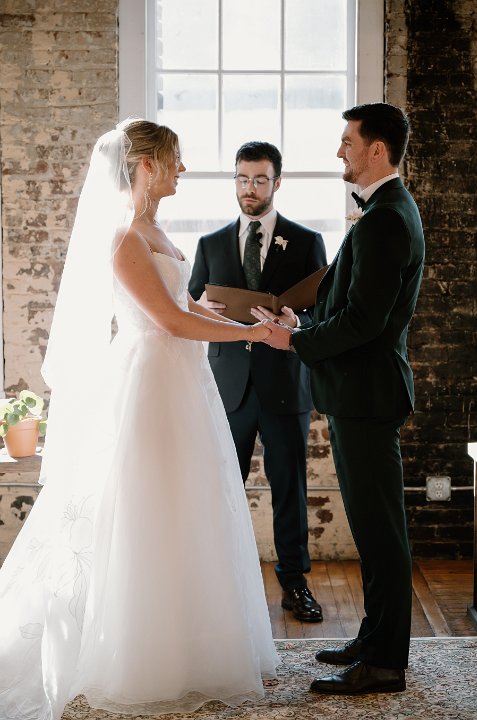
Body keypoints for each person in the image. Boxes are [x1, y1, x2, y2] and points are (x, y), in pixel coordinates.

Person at [0, 120, 280, 719]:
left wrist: (233, 321)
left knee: (188, 505)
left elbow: (184, 306)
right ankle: (142, 652)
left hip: (182, 379)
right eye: (175, 159)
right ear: (147, 165)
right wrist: (252, 334)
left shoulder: (155, 230)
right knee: (149, 506)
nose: (183, 169)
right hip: (150, 383)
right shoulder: (124, 236)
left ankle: (192, 644)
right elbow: (169, 322)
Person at [252, 102, 425, 695]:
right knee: (374, 529)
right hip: (361, 393)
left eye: (347, 141)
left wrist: (294, 340)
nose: (339, 150)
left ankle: (385, 663)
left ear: (377, 149)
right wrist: (304, 320)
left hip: (367, 395)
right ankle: (373, 640)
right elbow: (352, 305)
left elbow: (364, 322)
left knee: (381, 533)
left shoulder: (386, 219)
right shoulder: (385, 211)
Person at [189, 141, 327, 622]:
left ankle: (295, 584)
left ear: (277, 182)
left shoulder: (306, 241)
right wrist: (199, 308)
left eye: (260, 179)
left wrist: (298, 321)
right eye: (243, 178)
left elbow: (323, 312)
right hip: (228, 387)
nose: (250, 188)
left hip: (285, 385)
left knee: (289, 489)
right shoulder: (209, 244)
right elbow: (187, 310)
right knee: (223, 488)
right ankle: (219, 583)